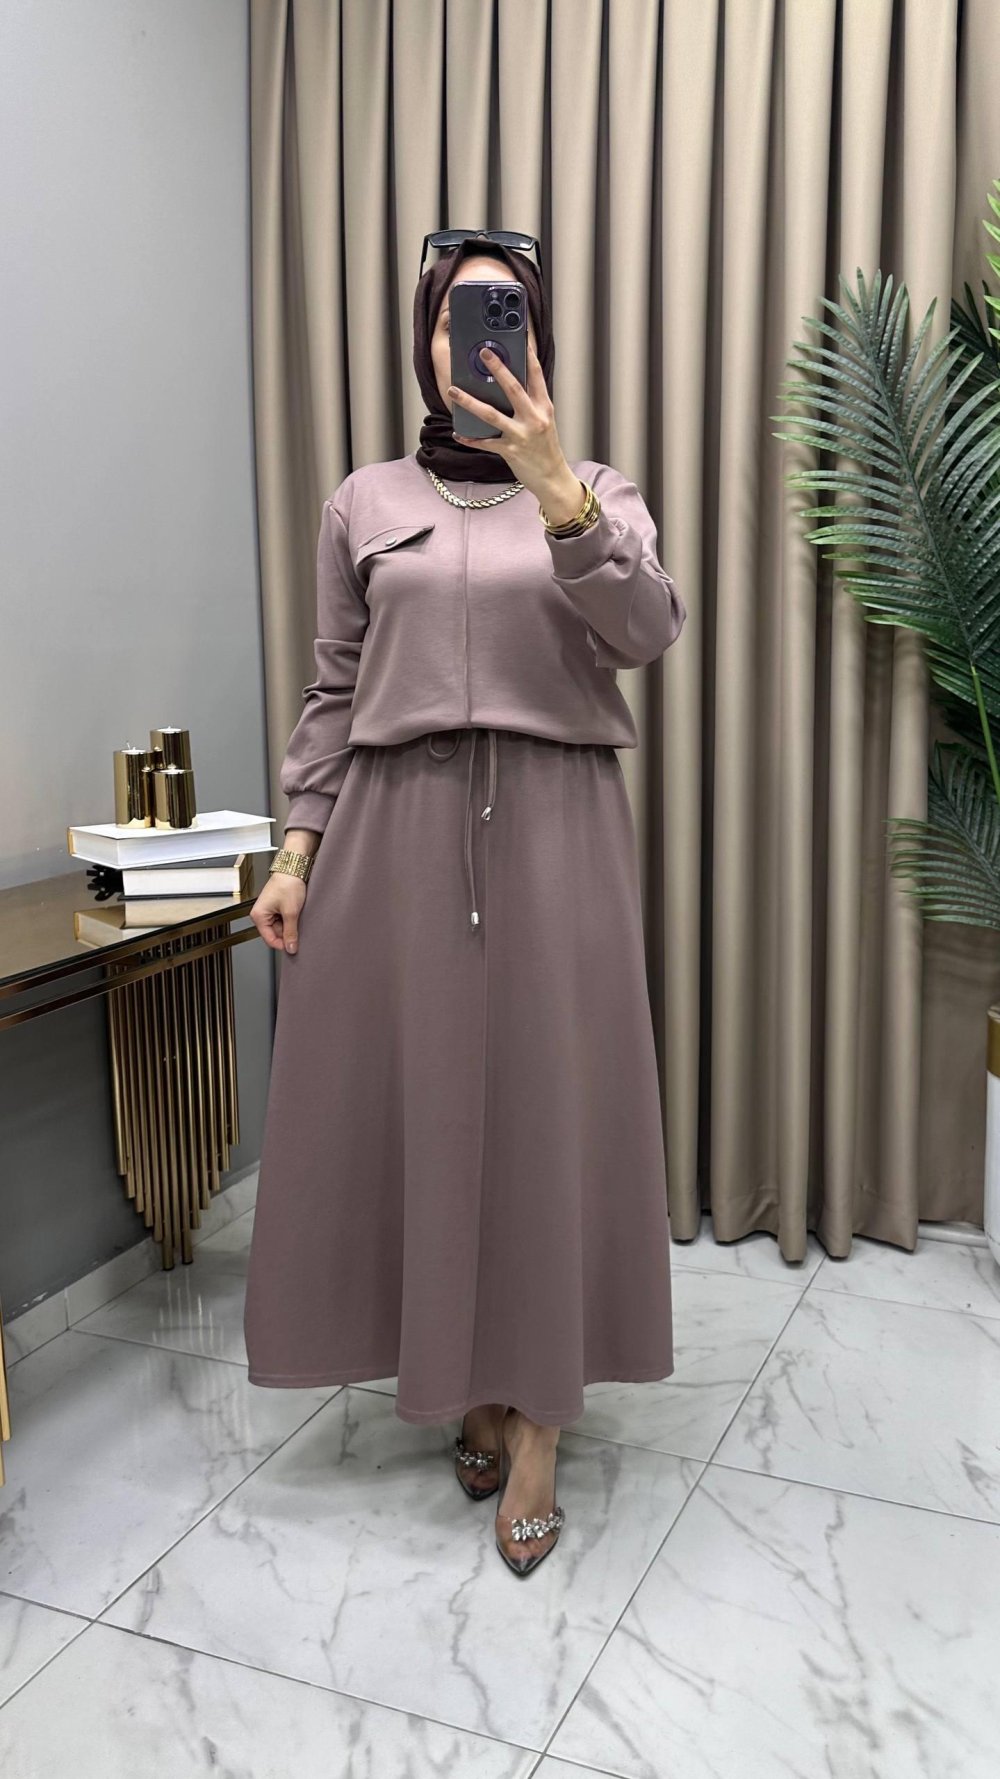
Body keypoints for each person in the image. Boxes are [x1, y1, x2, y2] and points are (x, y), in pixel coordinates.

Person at [244, 233, 686, 1576]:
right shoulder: (365, 500)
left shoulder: (599, 488)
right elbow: (334, 688)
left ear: (535, 338)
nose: (477, 336)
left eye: (504, 313)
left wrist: (559, 491)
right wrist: (295, 852)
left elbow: (648, 632)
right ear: (426, 339)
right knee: (431, 1115)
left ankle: (540, 1417)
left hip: (557, 831)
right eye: (455, 314)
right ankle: (465, 1381)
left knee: (549, 1119)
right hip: (394, 835)